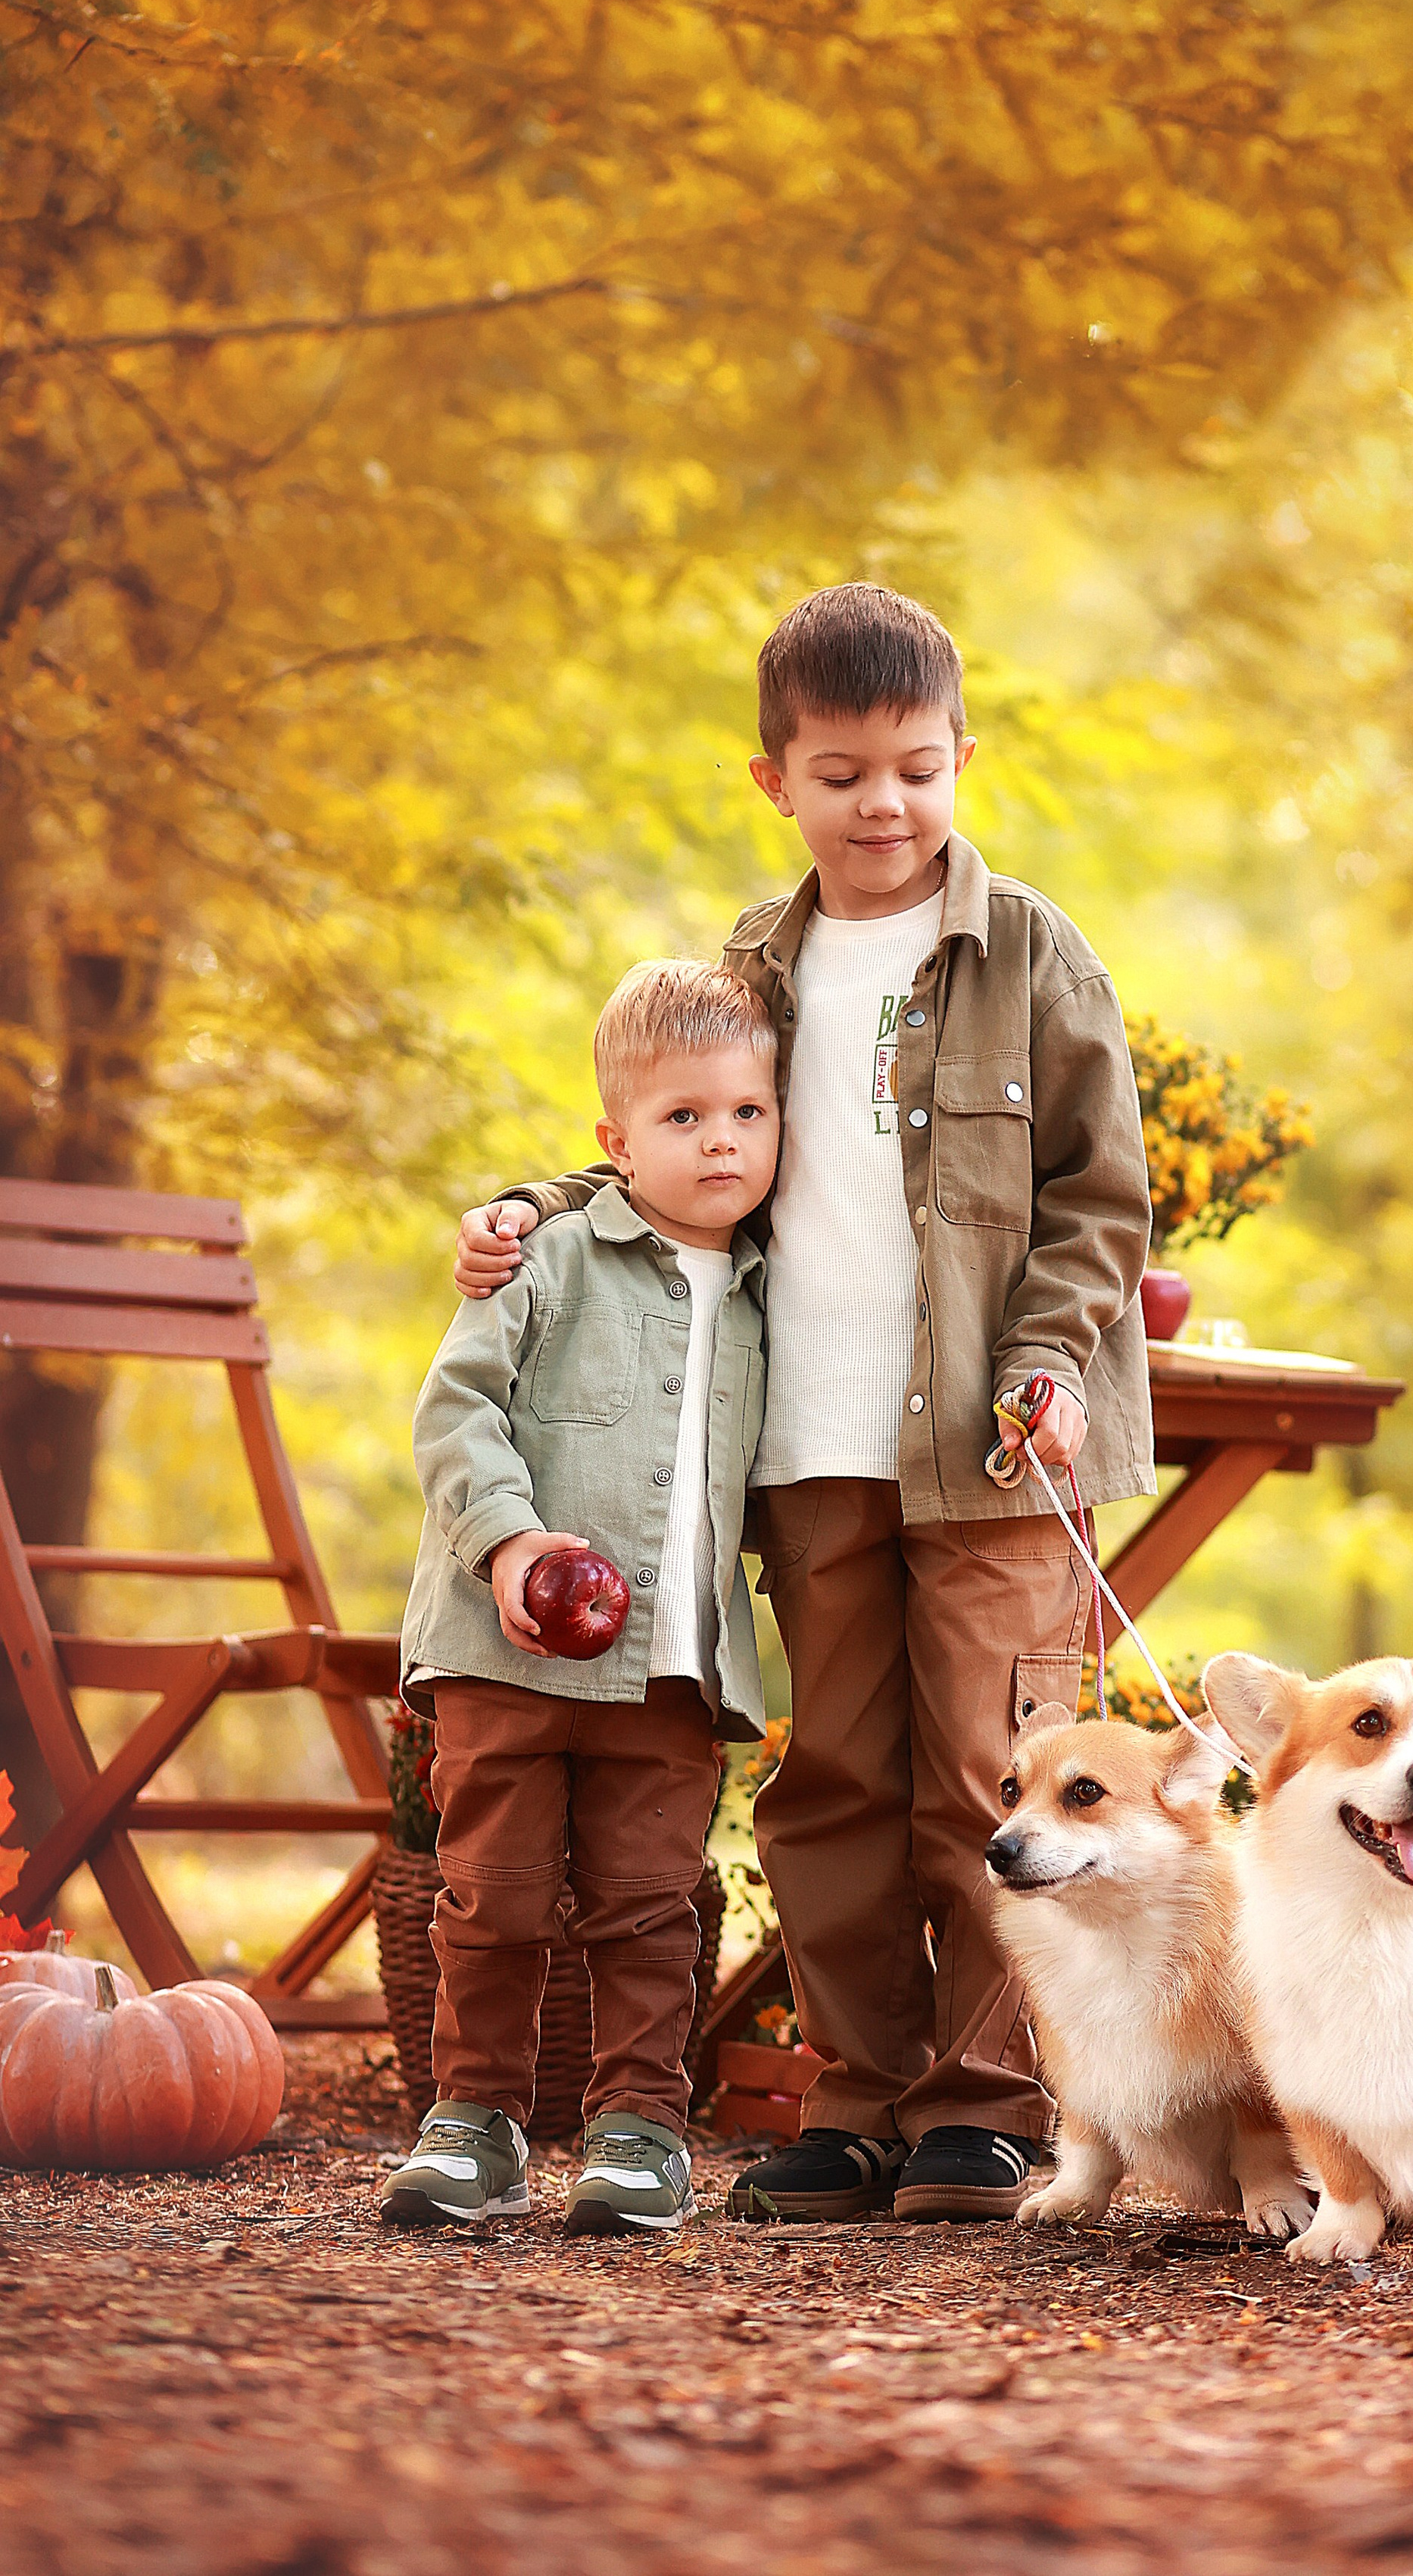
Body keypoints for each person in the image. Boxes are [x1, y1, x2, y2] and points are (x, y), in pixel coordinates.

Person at [453, 584, 1154, 2222]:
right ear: (774, 780)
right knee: (829, 1780)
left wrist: (1046, 1358)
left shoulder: (1034, 955)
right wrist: (528, 1213)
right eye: (840, 772)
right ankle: (857, 2098)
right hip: (801, 1445)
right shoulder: (754, 968)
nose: (882, 804)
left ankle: (981, 2104)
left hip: (994, 1450)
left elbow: (1099, 1202)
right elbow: (672, 1134)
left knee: (992, 1782)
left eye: (915, 768)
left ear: (961, 760)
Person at [380, 959, 778, 2234]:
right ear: (614, 1141)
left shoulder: (784, 1292)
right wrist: (506, 1548)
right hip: (505, 1656)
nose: (720, 1140)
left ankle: (638, 2130)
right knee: (489, 1894)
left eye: (747, 1114)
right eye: (682, 1118)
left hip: (673, 1670)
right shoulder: (546, 1258)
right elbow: (454, 1414)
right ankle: (476, 2120)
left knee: (651, 1906)